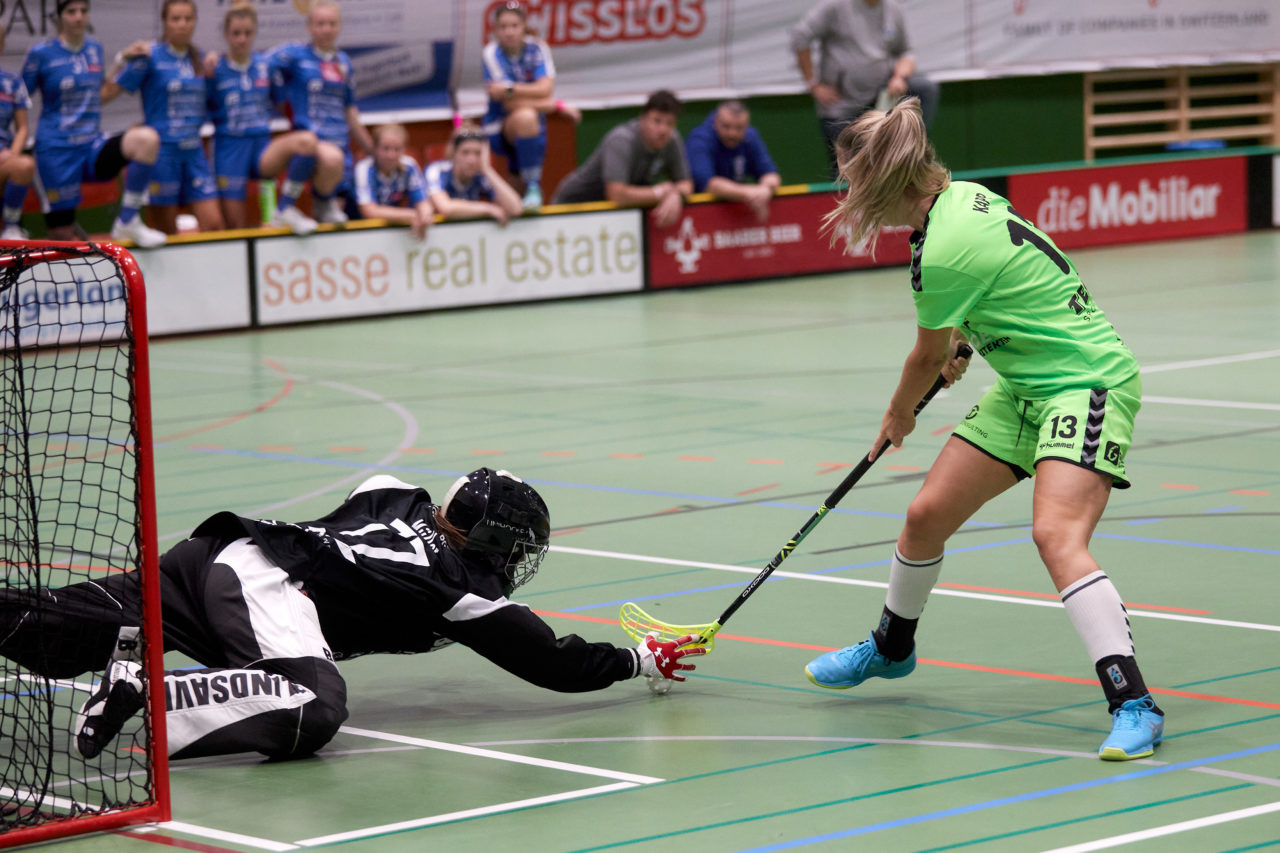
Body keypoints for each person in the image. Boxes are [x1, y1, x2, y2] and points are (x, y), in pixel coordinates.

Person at [804, 98, 1163, 762]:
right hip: (1027, 384)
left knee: (1056, 534)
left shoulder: (938, 250)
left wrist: (898, 413)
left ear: (885, 182)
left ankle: (1133, 702)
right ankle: (890, 647)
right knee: (925, 515)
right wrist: (968, 346)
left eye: (852, 182)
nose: (846, 195)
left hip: (1086, 383)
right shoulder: (963, 197)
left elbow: (923, 358)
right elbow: (1001, 290)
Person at [0, 468, 706, 761]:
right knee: (312, 705)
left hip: (216, 547)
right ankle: (145, 694)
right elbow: (551, 661)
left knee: (53, 626)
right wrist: (639, 657)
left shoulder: (392, 490)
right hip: (272, 589)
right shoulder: (461, 588)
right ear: (494, 545)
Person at [21, 0, 167, 246]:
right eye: (71, 12)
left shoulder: (94, 49)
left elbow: (96, 95)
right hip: (56, 152)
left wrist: (123, 61)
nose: (78, 17)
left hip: (91, 147)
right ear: (60, 17)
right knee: (62, 237)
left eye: (83, 11)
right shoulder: (41, 54)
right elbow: (18, 96)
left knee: (146, 139)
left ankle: (128, 222)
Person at [205, 2, 342, 235]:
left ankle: (285, 209)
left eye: (247, 33)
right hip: (229, 151)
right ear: (226, 34)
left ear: (255, 34)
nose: (241, 39)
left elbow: (282, 103)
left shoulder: (265, 66)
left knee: (306, 141)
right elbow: (201, 106)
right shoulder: (213, 67)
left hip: (261, 148)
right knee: (234, 229)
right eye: (236, 33)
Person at [105, 0, 224, 235]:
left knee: (214, 225)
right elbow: (105, 94)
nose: (182, 24)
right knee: (166, 231)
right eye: (176, 19)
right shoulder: (149, 56)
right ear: (164, 22)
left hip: (194, 153)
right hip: (162, 155)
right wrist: (120, 59)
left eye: (188, 18)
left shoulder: (200, 59)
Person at [790, 0, 939, 179]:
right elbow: (800, 35)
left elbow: (907, 53)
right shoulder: (834, 6)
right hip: (842, 106)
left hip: (882, 98)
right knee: (849, 173)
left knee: (925, 88)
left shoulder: (893, 9)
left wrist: (899, 76)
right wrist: (813, 84)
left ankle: (914, 154)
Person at [268, 0, 374, 225]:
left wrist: (371, 148)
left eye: (332, 24)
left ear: (339, 27)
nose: (326, 29)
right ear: (309, 27)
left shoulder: (344, 63)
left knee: (334, 223)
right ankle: (284, 207)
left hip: (340, 146)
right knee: (331, 159)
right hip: (309, 144)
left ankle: (323, 203)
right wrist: (279, 98)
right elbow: (260, 64)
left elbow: (350, 110)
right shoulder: (295, 56)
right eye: (320, 24)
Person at [482, 0, 580, 212]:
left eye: (514, 26)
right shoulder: (491, 53)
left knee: (517, 197)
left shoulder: (538, 48)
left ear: (524, 26)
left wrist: (509, 89)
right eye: (503, 26)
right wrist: (555, 106)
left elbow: (545, 88)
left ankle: (529, 188)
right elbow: (510, 104)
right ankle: (533, 186)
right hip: (498, 128)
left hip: (532, 130)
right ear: (495, 30)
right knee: (525, 116)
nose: (509, 32)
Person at [550, 89, 691, 229]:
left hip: (611, 216)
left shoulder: (672, 140)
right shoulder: (621, 139)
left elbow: (686, 184)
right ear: (642, 119)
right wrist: (659, 193)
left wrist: (676, 195)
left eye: (670, 123)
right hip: (572, 208)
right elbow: (616, 194)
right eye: (657, 121)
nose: (663, 130)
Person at [685, 100, 781, 222]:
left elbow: (771, 174)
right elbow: (709, 184)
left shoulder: (750, 137)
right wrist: (750, 193)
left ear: (747, 125)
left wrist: (766, 189)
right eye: (726, 126)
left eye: (739, 128)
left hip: (737, 218)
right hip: (699, 215)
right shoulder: (699, 139)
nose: (732, 133)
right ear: (715, 122)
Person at [424, 124, 523, 226]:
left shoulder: (480, 177)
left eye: (477, 153)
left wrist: (487, 170)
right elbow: (446, 208)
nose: (471, 160)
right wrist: (488, 208)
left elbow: (516, 208)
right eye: (465, 153)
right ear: (453, 153)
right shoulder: (437, 171)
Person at [353, 124, 434, 240]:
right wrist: (413, 215)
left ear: (404, 150)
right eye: (386, 148)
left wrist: (425, 215)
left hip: (394, 232)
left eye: (397, 149)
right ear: (375, 148)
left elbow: (423, 203)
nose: (391, 155)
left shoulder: (409, 166)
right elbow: (370, 211)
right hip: (362, 233)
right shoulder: (364, 168)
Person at [0, 27, 36, 240]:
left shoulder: (12, 81)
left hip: (4, 159)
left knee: (24, 165)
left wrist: (11, 154)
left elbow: (22, 128)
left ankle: (11, 227)